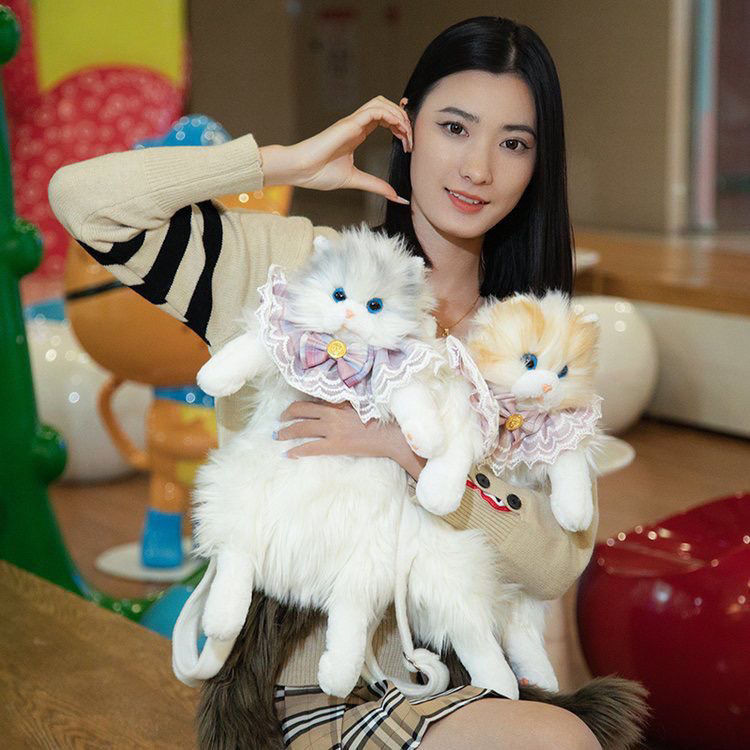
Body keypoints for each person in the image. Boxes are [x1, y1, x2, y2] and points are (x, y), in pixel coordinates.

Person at [49, 15, 605, 750]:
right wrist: (283, 163)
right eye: (455, 128)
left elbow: (558, 559)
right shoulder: (302, 273)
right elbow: (84, 201)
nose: (478, 169)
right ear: (406, 128)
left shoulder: (529, 341)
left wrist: (412, 454)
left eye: (513, 143)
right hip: (316, 687)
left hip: (468, 677)